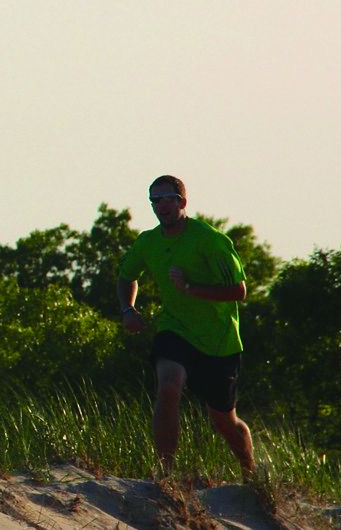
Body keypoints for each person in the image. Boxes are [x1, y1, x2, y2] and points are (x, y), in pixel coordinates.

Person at [117, 175, 254, 475]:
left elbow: (239, 291)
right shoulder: (148, 242)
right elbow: (127, 275)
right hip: (175, 329)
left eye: (167, 199)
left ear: (183, 202)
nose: (161, 206)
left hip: (218, 341)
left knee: (223, 422)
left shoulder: (210, 240)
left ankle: (250, 475)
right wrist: (128, 309)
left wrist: (191, 289)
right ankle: (166, 474)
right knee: (168, 386)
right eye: (155, 200)